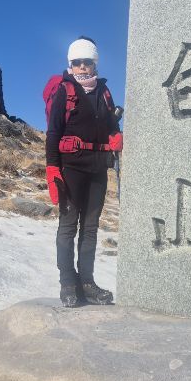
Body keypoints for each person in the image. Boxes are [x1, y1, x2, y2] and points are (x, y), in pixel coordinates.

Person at [45, 36, 123, 307]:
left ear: (94, 64)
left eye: (86, 62)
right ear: (71, 64)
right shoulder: (64, 91)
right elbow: (53, 132)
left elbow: (111, 124)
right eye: (77, 62)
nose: (81, 67)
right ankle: (68, 283)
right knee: (68, 226)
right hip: (71, 169)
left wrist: (115, 135)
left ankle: (87, 283)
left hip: (98, 169)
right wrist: (52, 168)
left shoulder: (104, 92)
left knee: (90, 228)